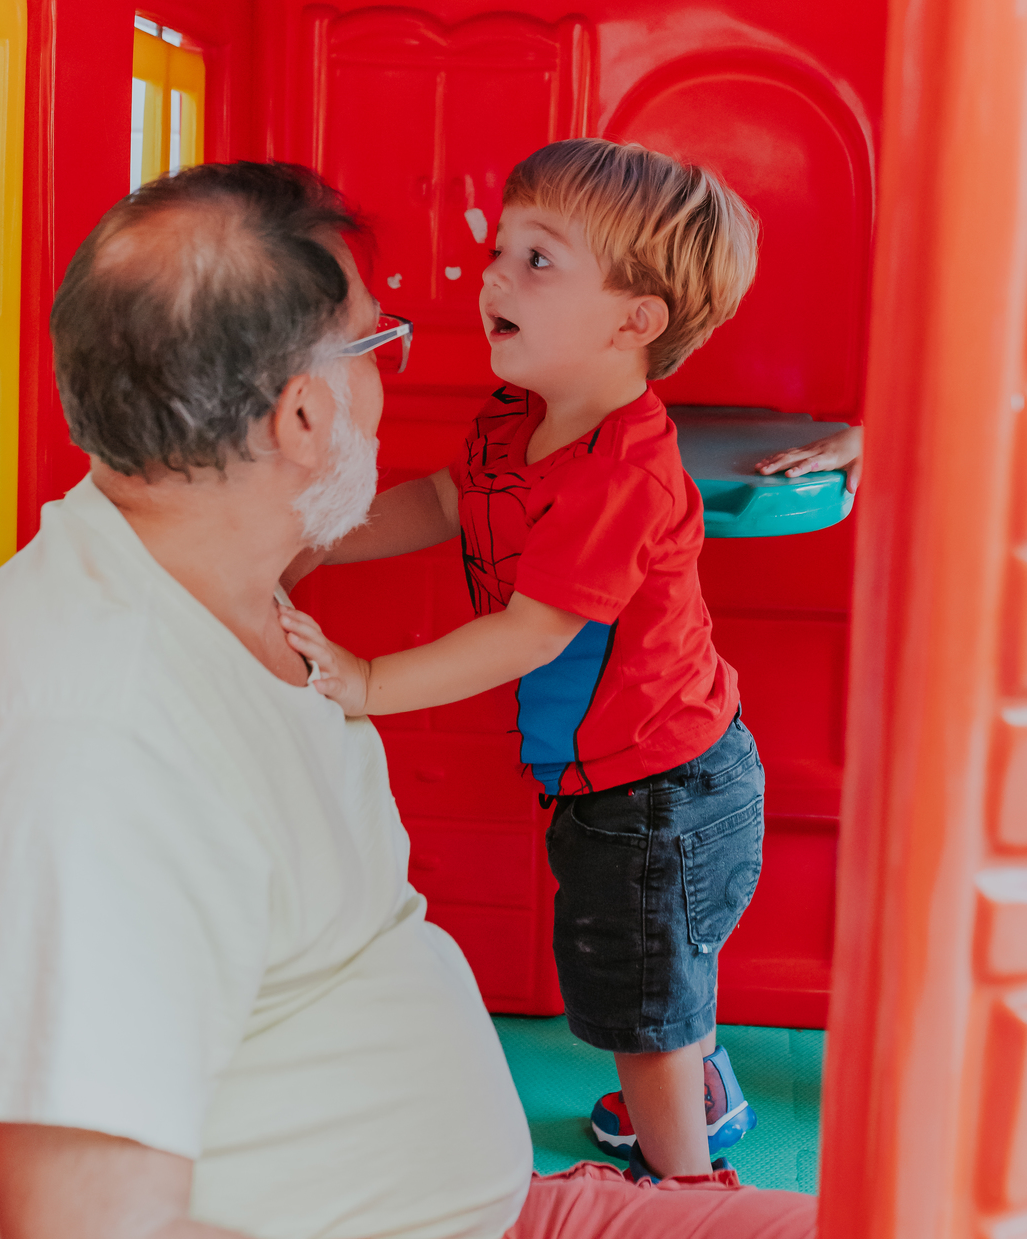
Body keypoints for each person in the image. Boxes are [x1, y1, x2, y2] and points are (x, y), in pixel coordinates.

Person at [0, 162, 973, 1239]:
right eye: (378, 343)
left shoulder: (219, 581)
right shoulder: (90, 744)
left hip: (477, 1232)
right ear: (304, 415)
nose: (404, 367)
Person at [279, 140, 763, 1184]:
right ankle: (696, 1089)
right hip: (629, 775)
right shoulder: (519, 421)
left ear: (634, 322)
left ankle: (686, 1193)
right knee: (662, 966)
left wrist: (369, 683)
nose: (493, 274)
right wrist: (315, 532)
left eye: (537, 261)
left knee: (646, 1006)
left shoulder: (622, 473)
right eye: (501, 248)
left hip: (664, 788)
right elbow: (444, 501)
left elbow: (532, 633)